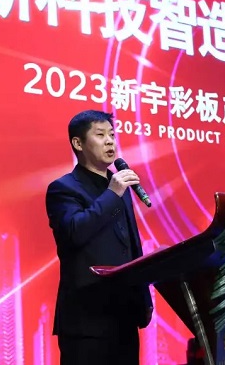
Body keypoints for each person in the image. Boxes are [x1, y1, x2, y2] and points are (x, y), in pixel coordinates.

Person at [45, 110, 152, 365]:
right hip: (86, 322)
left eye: (112, 135)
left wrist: (144, 298)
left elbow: (132, 245)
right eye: (101, 135)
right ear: (78, 143)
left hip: (124, 317)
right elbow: (75, 232)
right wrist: (112, 194)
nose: (110, 141)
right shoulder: (63, 189)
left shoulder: (119, 188)